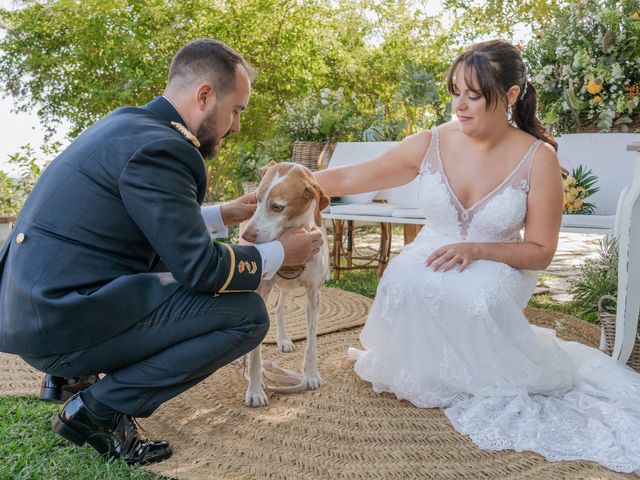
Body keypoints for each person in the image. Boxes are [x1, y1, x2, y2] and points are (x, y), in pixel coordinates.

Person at [315, 40, 640, 473]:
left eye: (474, 95)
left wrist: (476, 249)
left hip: (502, 259)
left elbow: (540, 253)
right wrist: (290, 179)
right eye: (455, 92)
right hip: (434, 247)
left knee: (475, 296)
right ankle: (429, 369)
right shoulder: (430, 141)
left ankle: (482, 371)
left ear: (508, 96)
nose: (459, 106)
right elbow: (356, 174)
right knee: (404, 276)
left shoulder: (538, 157)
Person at [0, 39, 322, 465]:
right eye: (237, 110)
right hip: (62, 323)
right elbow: (201, 270)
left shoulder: (125, 125)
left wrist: (220, 214)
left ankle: (71, 375)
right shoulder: (167, 149)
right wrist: (281, 252)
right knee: (245, 315)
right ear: (205, 96)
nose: (237, 125)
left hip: (32, 309)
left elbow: (136, 219)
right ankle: (99, 409)